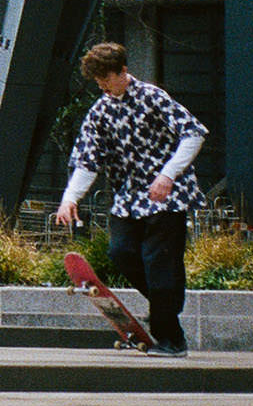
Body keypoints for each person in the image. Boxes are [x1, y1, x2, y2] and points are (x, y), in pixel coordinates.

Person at [53, 41, 205, 357]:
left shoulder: (153, 98)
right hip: (129, 198)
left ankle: (171, 337)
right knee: (120, 252)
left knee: (158, 261)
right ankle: (168, 304)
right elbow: (87, 160)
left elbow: (194, 133)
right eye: (98, 83)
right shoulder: (101, 110)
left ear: (123, 71)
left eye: (107, 80)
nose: (104, 88)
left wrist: (168, 174)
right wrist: (70, 199)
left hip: (167, 196)